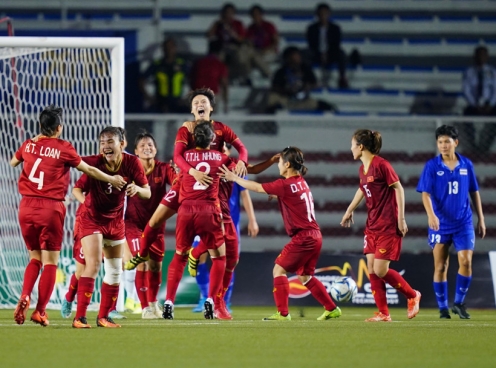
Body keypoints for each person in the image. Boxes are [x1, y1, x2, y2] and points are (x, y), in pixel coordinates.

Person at [10, 105, 126, 327]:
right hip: (50, 207)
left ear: (40, 126)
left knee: (34, 257)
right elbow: (89, 170)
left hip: (26, 206)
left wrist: (32, 146)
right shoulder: (63, 147)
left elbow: (13, 162)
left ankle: (25, 294)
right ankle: (40, 311)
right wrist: (111, 179)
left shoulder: (28, 144)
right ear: (59, 128)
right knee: (50, 262)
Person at [124, 87, 248, 272]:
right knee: (155, 221)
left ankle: (201, 266)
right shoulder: (186, 129)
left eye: (203, 102)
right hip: (185, 184)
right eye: (195, 103)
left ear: (211, 108)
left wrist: (242, 162)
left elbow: (242, 148)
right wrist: (193, 173)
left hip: (211, 190)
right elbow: (178, 157)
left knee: (220, 242)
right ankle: (142, 253)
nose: (199, 105)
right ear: (191, 110)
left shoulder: (221, 129)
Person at [220, 147, 342, 321]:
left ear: (287, 164)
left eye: (279, 162)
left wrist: (234, 178)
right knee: (305, 276)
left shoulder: (285, 184)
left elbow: (257, 187)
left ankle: (283, 313)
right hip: (315, 235)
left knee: (279, 269)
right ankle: (331, 308)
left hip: (304, 237)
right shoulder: (300, 181)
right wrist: (279, 197)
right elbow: (296, 197)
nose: (278, 165)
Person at [72, 126, 151, 328]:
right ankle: (79, 317)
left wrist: (137, 189)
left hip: (116, 222)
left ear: (122, 144)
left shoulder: (132, 162)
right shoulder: (94, 163)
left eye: (110, 142)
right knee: (94, 265)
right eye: (102, 142)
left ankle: (103, 317)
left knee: (115, 271)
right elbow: (76, 179)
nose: (105, 146)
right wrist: (85, 203)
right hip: (93, 220)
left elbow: (147, 193)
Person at [340, 129, 421, 322]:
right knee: (371, 268)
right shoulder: (363, 169)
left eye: (352, 144)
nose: (350, 148)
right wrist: (349, 210)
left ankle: (412, 295)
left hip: (388, 225)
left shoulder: (382, 165)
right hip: (372, 225)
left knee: (381, 270)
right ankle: (383, 313)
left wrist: (401, 219)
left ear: (360, 147)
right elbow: (362, 189)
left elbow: (399, 188)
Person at [417, 125, 485, 319]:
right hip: (440, 223)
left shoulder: (466, 165)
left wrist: (480, 217)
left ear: (456, 142)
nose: (443, 145)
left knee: (466, 261)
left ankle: (459, 303)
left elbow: (474, 192)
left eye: (447, 141)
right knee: (440, 266)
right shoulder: (432, 166)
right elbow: (425, 194)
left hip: (463, 222)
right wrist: (431, 215)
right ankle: (443, 308)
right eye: (440, 142)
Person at [173, 121, 236, 320]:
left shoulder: (183, 157)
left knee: (179, 253)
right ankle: (211, 300)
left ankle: (167, 303)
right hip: (211, 211)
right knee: (221, 258)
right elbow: (244, 170)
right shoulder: (221, 158)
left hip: (185, 210)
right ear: (212, 139)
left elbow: (176, 159)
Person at [125, 132, 176, 319]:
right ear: (136, 151)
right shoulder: (129, 170)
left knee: (155, 266)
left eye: (150, 145)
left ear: (156, 149)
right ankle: (144, 307)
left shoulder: (164, 169)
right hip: (133, 224)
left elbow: (177, 183)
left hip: (156, 225)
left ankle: (154, 304)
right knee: (141, 262)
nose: (147, 148)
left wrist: (178, 172)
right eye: (143, 145)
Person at [266, 46, 334, 114]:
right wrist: (287, 90)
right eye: (295, 55)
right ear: (288, 58)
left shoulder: (305, 69)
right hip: (287, 100)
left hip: (303, 100)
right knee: (273, 101)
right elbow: (275, 87)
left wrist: (307, 87)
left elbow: (314, 83)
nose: (298, 57)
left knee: (324, 106)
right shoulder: (281, 72)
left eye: (298, 55)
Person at [461, 46, 496, 154]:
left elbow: (495, 89)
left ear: (487, 57)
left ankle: (484, 147)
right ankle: (472, 147)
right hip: (474, 106)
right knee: (465, 119)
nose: (481, 58)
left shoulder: (492, 72)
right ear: (475, 57)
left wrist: (490, 104)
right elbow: (466, 90)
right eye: (479, 55)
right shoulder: (469, 72)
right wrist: (475, 105)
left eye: (483, 55)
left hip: (489, 105)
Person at [139, 37, 189, 113]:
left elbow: (194, 79)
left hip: (178, 102)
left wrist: (187, 98)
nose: (169, 50)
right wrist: (148, 98)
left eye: (171, 47)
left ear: (175, 48)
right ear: (163, 49)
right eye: (166, 47)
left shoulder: (182, 64)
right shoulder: (157, 64)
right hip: (161, 102)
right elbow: (141, 79)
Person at [306, 3, 348, 88]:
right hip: (316, 53)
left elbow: (336, 44)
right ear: (317, 15)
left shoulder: (335, 28)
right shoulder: (311, 28)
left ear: (329, 14)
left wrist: (326, 53)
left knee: (341, 54)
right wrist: (320, 53)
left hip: (331, 53)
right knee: (306, 54)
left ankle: (342, 77)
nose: (323, 16)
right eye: (320, 14)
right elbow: (311, 44)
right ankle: (309, 79)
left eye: (325, 13)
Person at [190, 40, 229, 113]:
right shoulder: (220, 65)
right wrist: (226, 103)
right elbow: (224, 84)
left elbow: (191, 79)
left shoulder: (198, 63)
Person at [245, 4, 278, 78]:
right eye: (253, 15)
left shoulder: (268, 26)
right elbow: (248, 43)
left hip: (269, 51)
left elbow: (275, 41)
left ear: (261, 15)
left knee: (255, 58)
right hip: (257, 52)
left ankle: (269, 74)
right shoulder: (251, 28)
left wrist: (267, 49)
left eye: (257, 14)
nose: (255, 16)